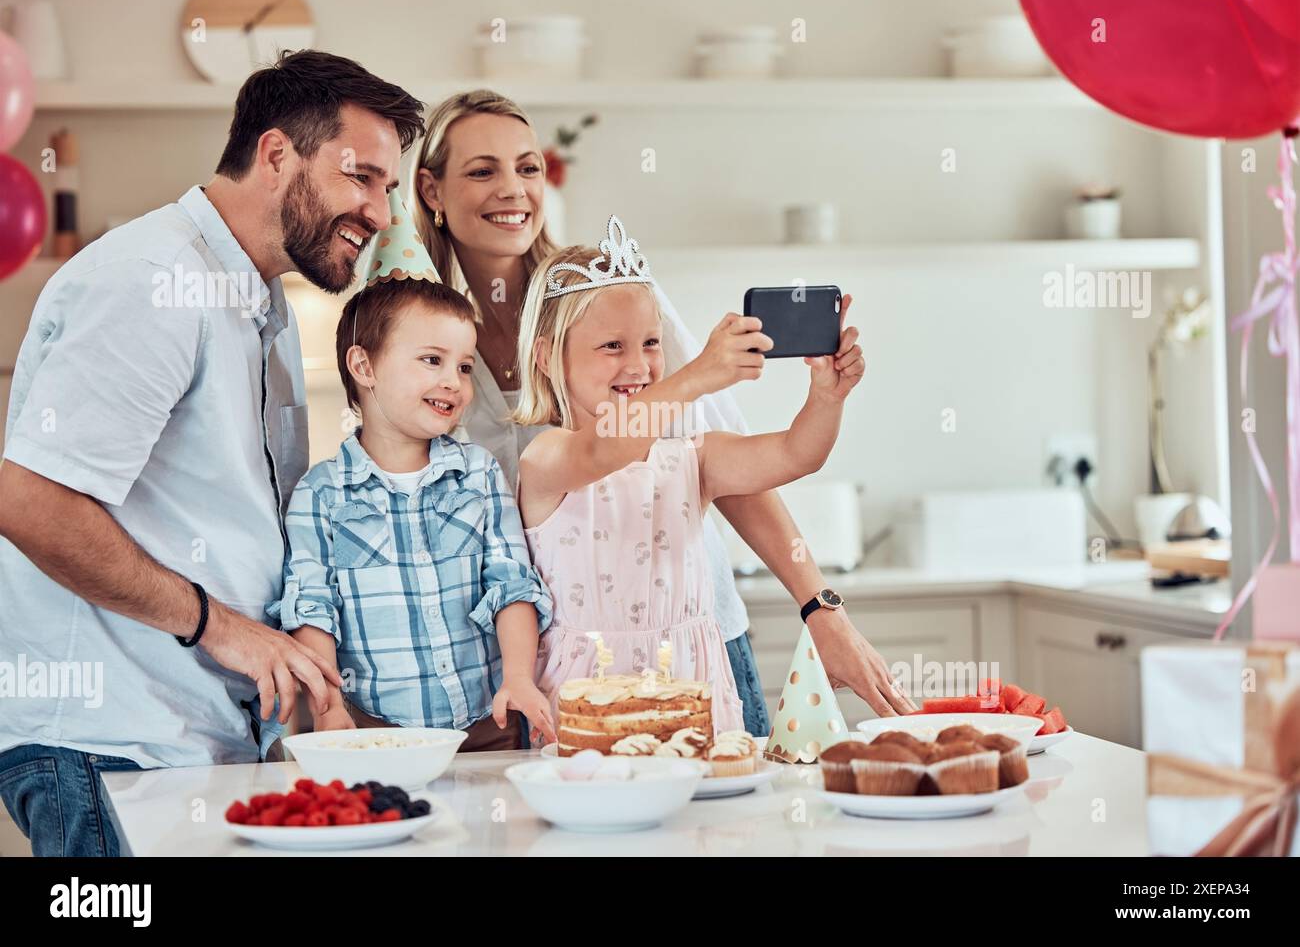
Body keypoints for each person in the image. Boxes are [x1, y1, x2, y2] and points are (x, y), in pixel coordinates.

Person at [0, 50, 424, 856]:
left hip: (188, 748)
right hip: (109, 751)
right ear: (275, 156)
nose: (378, 211)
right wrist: (218, 626)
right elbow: (27, 501)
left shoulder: (257, 301)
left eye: (388, 188)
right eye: (360, 177)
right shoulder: (152, 279)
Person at [407, 89, 917, 736]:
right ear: (432, 189)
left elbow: (766, 461)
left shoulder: (613, 293)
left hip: (694, 652)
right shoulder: (427, 341)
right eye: (482, 170)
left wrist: (821, 604)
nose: (513, 189)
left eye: (529, 167)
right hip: (547, 675)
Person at [513, 217, 864, 731]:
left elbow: (795, 454)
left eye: (652, 343)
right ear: (547, 358)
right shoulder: (547, 459)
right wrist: (697, 374)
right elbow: (601, 449)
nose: (639, 365)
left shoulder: (690, 457)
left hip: (696, 699)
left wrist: (826, 398)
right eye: (613, 346)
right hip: (588, 712)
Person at [270, 191, 554, 750]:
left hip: (490, 725)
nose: (455, 381)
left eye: (465, 366)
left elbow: (511, 584)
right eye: (432, 360)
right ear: (364, 366)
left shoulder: (479, 475)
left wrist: (519, 676)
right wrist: (326, 710)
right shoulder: (320, 494)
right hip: (375, 735)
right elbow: (312, 607)